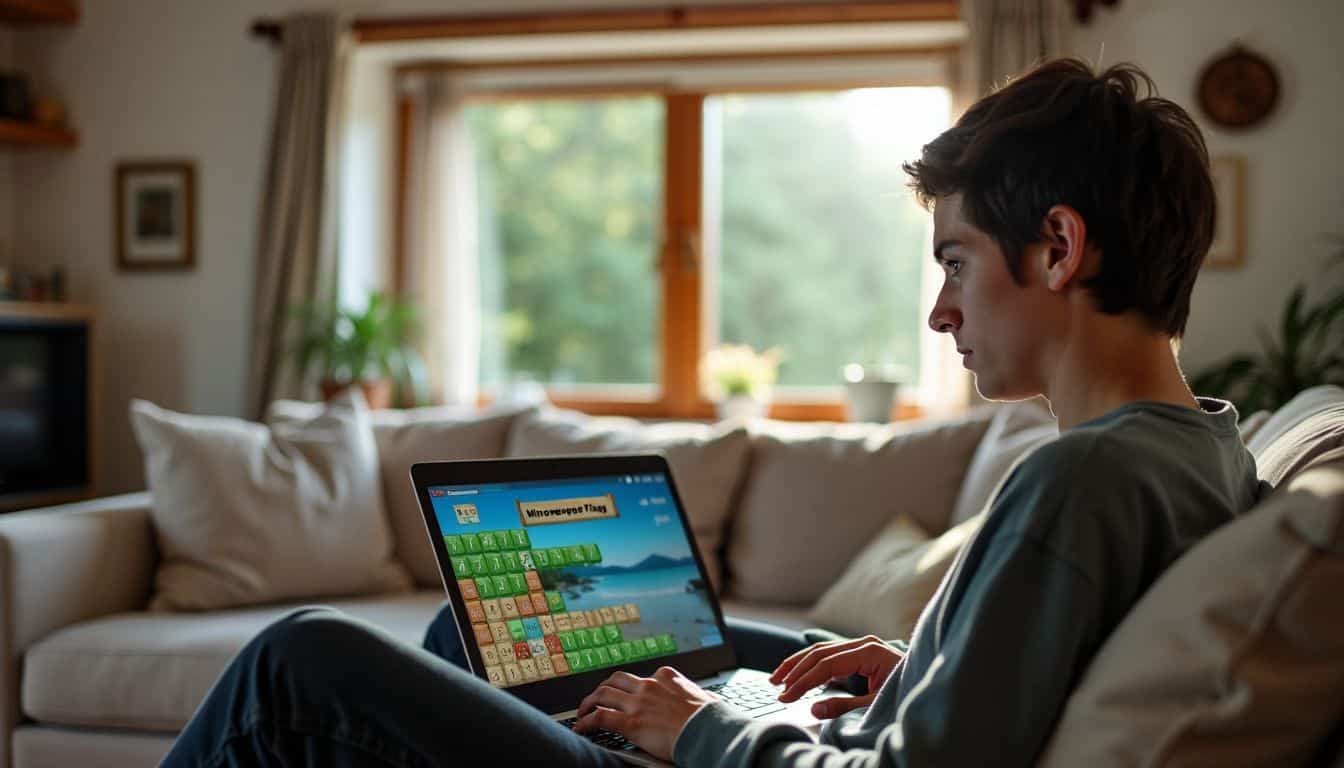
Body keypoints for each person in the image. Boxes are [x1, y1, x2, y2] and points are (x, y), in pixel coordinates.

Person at [161, 57, 1266, 768]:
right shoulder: (1205, 443)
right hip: (816, 737)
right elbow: (1001, 705)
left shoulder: (1077, 480)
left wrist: (699, 725)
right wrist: (915, 666)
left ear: (1059, 248)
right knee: (479, 633)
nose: (941, 313)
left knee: (297, 661)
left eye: (958, 262)